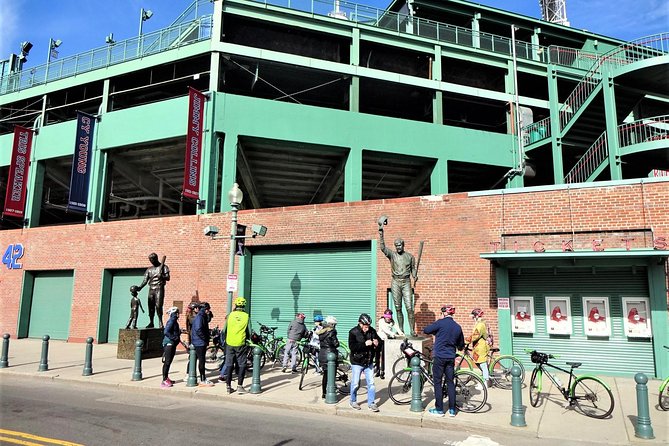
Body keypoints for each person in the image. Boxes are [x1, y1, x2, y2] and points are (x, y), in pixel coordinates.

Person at [423, 305, 464, 417]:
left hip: (439, 356)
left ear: (444, 313)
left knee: (437, 382)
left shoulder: (440, 323)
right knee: (450, 383)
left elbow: (426, 330)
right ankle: (452, 410)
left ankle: (439, 409)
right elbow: (461, 345)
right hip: (450, 357)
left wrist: (437, 331)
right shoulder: (457, 327)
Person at [378, 223, 418, 336]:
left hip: (406, 282)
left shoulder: (410, 257)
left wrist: (414, 275)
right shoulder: (392, 255)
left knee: (409, 307)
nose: (398, 247)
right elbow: (382, 248)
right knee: (398, 307)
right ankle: (401, 330)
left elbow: (413, 269)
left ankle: (412, 330)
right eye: (396, 246)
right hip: (395, 281)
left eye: (399, 245)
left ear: (403, 245)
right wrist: (381, 233)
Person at [348, 313, 380, 412]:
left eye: (368, 326)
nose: (367, 328)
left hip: (368, 361)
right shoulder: (353, 332)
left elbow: (379, 342)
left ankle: (371, 403)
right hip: (357, 361)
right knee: (355, 383)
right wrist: (364, 344)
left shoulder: (372, 331)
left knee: (371, 384)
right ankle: (353, 401)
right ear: (360, 324)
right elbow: (352, 347)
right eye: (365, 326)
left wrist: (377, 343)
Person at [221, 296, 252, 394]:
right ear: (244, 306)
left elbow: (224, 330)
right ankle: (239, 386)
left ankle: (228, 387)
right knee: (242, 364)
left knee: (229, 364)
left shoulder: (230, 315)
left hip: (230, 343)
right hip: (241, 343)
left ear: (235, 305)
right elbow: (249, 332)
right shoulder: (246, 316)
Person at [135, 253, 170, 329]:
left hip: (159, 287)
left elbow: (168, 278)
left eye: (152, 260)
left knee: (158, 305)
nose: (151, 261)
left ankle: (160, 321)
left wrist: (162, 276)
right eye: (150, 260)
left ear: (156, 258)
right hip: (151, 288)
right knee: (150, 306)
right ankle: (151, 322)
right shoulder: (149, 269)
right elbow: (145, 280)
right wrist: (139, 287)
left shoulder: (164, 267)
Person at [375, 309, 404, 379]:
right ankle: (377, 369)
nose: (387, 318)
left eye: (389, 317)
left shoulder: (392, 322)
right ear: (384, 317)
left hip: (386, 340)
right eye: (386, 317)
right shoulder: (381, 321)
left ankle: (382, 371)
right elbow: (385, 330)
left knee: (383, 356)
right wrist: (393, 334)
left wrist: (401, 333)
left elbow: (397, 327)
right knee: (377, 355)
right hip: (379, 339)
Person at [191, 302, 214, 386]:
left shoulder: (202, 316)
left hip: (199, 341)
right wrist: (204, 337)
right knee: (202, 361)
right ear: (205, 309)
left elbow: (207, 321)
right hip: (199, 342)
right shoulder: (200, 317)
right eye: (208, 309)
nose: (209, 311)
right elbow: (198, 329)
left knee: (201, 360)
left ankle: (202, 378)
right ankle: (202, 379)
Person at [467, 308, 491, 388]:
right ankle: (486, 379)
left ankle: (485, 382)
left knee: (483, 364)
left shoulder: (480, 324)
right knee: (479, 363)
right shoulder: (480, 323)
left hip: (480, 347)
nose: (472, 318)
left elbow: (475, 335)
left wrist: (465, 341)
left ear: (476, 316)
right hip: (478, 347)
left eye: (473, 316)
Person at [318, 315, 339, 399]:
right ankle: (331, 390)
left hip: (322, 353)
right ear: (332, 324)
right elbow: (336, 343)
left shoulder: (321, 331)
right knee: (332, 374)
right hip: (330, 353)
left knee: (325, 374)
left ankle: (324, 393)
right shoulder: (332, 332)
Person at [161, 307, 181, 388]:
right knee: (167, 362)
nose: (178, 314)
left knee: (169, 362)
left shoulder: (174, 321)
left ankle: (166, 378)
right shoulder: (172, 320)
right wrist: (174, 338)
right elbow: (166, 331)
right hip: (169, 344)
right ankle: (164, 380)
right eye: (177, 312)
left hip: (172, 343)